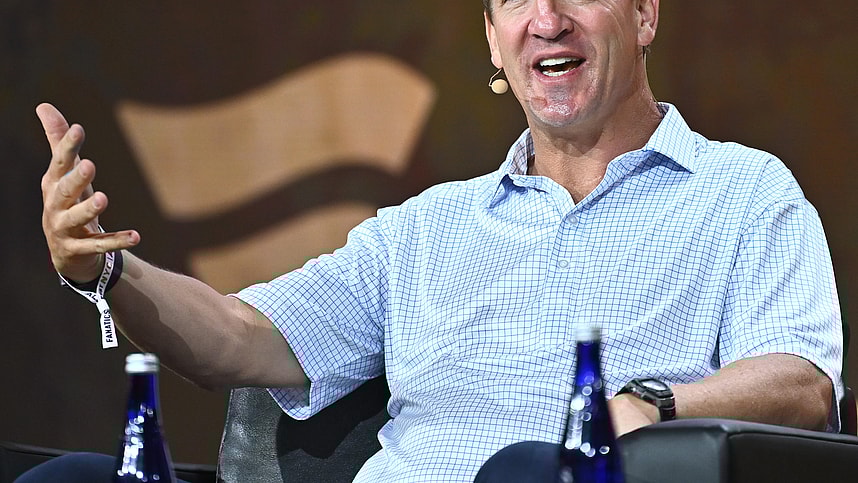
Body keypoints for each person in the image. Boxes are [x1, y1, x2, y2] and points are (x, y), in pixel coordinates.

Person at [30, 0, 842, 481]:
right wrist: (107, 268)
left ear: (643, 13)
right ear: (491, 39)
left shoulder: (742, 190)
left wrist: (645, 405)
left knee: (529, 468)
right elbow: (236, 339)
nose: (547, 20)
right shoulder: (426, 227)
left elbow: (802, 384)